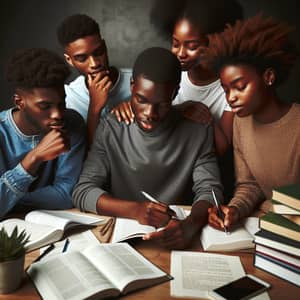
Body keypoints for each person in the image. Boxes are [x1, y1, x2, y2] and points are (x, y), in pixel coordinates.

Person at [73, 47, 223, 249]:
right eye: (141, 100)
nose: (149, 113)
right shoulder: (111, 128)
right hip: (122, 240)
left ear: (176, 92)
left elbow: (210, 190)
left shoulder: (198, 130)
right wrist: (135, 210)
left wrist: (190, 226)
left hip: (177, 237)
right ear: (132, 86)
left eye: (161, 104)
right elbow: (83, 191)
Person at [205, 14, 300, 231]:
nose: (231, 97)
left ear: (268, 77)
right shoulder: (241, 122)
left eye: (240, 86)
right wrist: (235, 209)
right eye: (226, 89)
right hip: (262, 226)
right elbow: (250, 184)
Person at [113, 0, 243, 156]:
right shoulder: (169, 73)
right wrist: (129, 108)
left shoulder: (230, 86)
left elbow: (223, 149)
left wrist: (207, 119)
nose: (181, 53)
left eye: (192, 46)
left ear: (215, 43)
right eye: (175, 44)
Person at [0, 48, 86, 218]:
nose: (58, 114)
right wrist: (34, 158)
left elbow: (66, 195)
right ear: (19, 102)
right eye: (45, 106)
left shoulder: (72, 123)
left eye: (61, 104)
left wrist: (9, 198)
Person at [56, 14, 131, 145]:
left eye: (98, 52)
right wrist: (94, 109)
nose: (94, 63)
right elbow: (86, 156)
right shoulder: (68, 97)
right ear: (69, 60)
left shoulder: (137, 81)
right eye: (82, 58)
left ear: (105, 46)